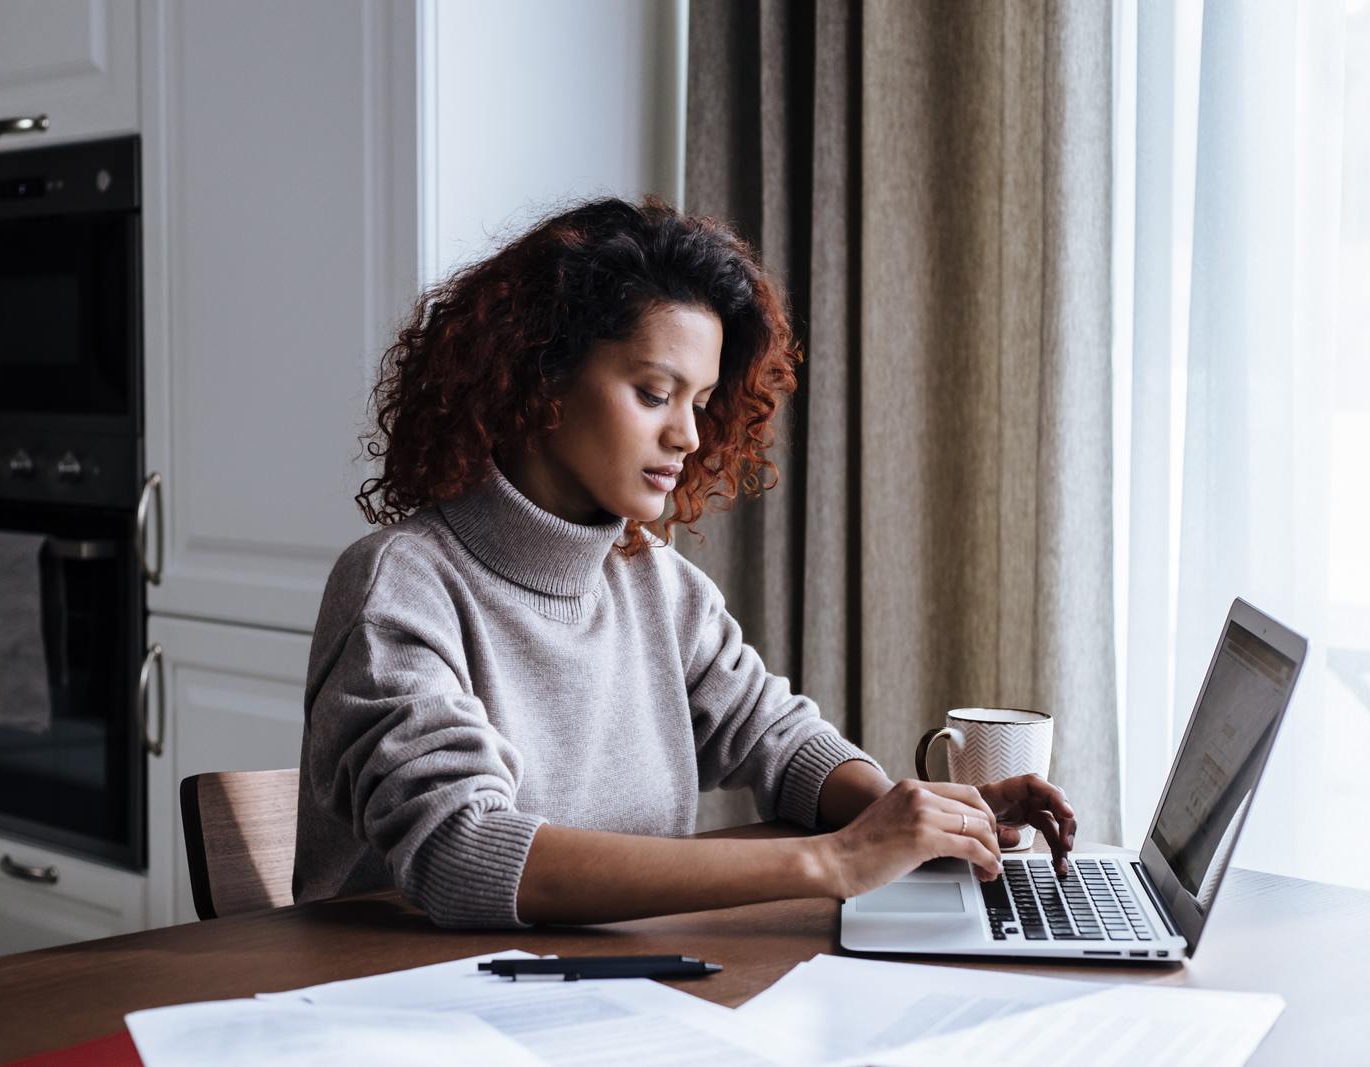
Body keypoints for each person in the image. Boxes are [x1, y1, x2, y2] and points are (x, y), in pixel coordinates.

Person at [292, 196, 1077, 927]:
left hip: (614, 1000)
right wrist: (830, 860)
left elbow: (774, 734)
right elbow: (462, 850)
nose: (689, 437)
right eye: (653, 392)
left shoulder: (656, 586)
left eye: (699, 403)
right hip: (414, 1013)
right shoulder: (399, 585)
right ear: (540, 378)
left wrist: (918, 818)